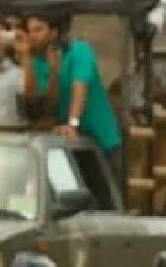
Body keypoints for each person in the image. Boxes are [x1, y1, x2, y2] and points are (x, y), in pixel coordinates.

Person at [24, 10, 124, 175]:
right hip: (68, 145)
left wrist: (73, 123)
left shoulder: (79, 50)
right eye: (30, 31)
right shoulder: (37, 63)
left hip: (101, 143)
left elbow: (80, 88)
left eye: (37, 30)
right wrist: (53, 72)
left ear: (53, 33)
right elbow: (47, 104)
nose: (32, 36)